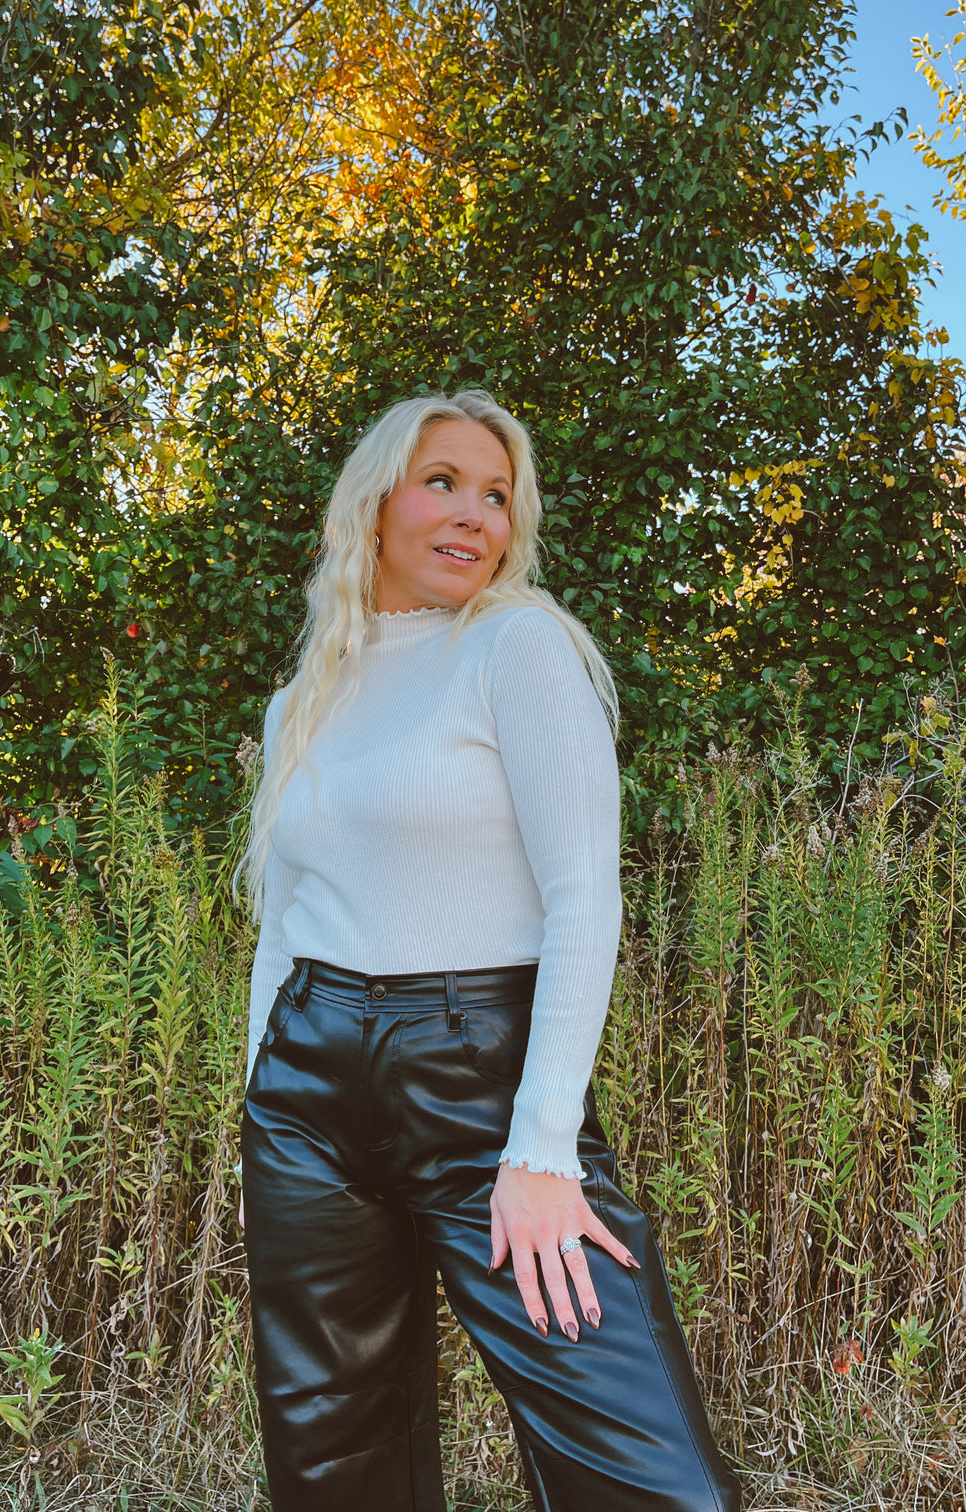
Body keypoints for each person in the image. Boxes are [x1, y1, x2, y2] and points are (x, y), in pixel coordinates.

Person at [236, 390, 742, 1512]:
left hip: (481, 1078)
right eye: (444, 483)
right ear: (375, 505)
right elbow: (287, 919)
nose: (474, 516)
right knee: (333, 1459)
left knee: (642, 1464)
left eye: (498, 495)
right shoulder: (299, 707)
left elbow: (583, 898)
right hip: (304, 1091)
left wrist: (543, 1149)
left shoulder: (518, 646)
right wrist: (256, 1097)